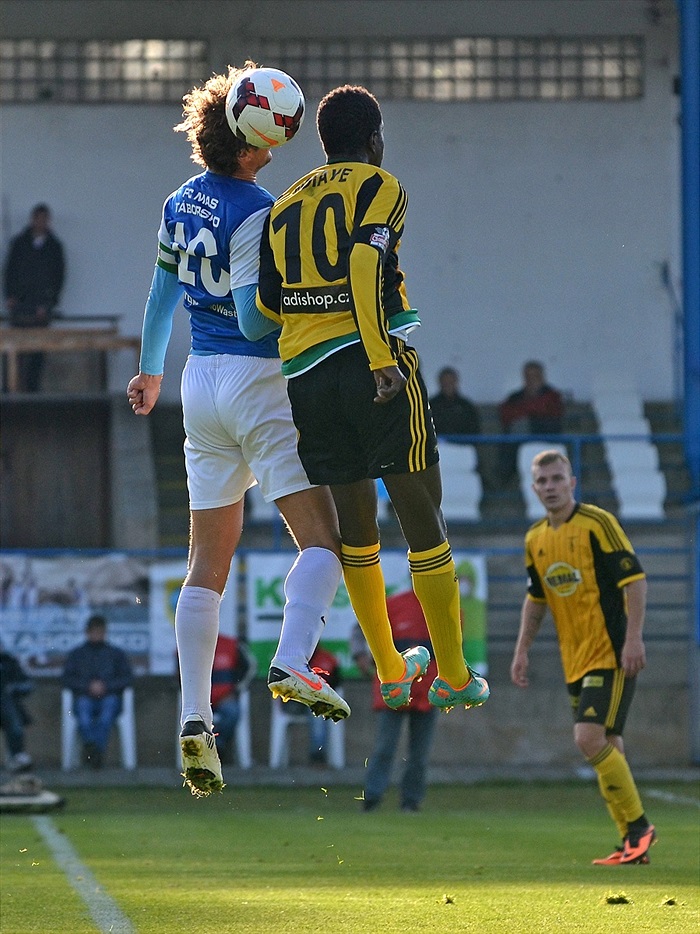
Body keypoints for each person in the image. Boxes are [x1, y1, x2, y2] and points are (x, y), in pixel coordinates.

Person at [126, 63, 349, 798]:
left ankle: (195, 718)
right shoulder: (259, 207)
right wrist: (317, 307)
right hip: (256, 381)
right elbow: (256, 318)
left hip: (198, 384)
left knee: (204, 566)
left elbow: (161, 296)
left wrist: (150, 373)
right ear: (256, 142)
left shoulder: (178, 199)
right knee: (323, 541)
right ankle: (291, 658)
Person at [250, 84, 489, 715]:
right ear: (375, 138)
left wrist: (312, 307)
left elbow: (268, 301)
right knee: (422, 513)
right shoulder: (380, 187)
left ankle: (388, 669)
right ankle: (455, 674)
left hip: (305, 374)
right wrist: (380, 355)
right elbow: (365, 260)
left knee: (357, 529)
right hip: (370, 360)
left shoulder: (286, 204)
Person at [510, 450, 656, 866]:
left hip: (610, 653)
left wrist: (634, 639)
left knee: (587, 738)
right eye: (543, 481)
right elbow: (536, 600)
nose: (551, 487)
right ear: (534, 487)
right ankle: (632, 842)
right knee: (608, 743)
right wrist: (521, 650)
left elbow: (635, 580)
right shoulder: (535, 538)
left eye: (558, 479)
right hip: (572, 659)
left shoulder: (598, 523)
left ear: (572, 482)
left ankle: (641, 827)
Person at [352, 589, 438, 813]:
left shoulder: (447, 607)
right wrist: (360, 654)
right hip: (394, 687)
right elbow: (363, 627)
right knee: (385, 746)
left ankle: (411, 801)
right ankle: (372, 798)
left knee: (419, 753)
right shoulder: (395, 604)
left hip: (429, 691)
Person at [3, 203, 65, 392]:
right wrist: (10, 296)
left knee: (38, 349)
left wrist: (48, 302)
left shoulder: (54, 247)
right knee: (14, 348)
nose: (41, 223)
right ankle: (9, 388)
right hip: (20, 305)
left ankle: (32, 389)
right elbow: (9, 271)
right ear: (32, 220)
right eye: (38, 219)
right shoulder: (19, 243)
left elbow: (58, 276)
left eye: (44, 219)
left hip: (41, 306)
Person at [62, 615, 134, 769]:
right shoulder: (77, 654)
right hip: (84, 697)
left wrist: (106, 686)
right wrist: (88, 686)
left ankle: (92, 750)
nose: (97, 635)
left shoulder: (115, 654)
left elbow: (127, 677)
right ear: (87, 632)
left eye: (100, 631)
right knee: (84, 716)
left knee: (106, 717)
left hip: (109, 697)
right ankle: (95, 751)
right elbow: (67, 678)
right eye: (94, 632)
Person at [497, 360, 564, 485]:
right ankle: (505, 479)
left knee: (520, 426)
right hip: (520, 438)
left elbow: (549, 413)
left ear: (542, 377)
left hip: (546, 435)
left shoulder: (552, 395)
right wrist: (529, 412)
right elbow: (505, 414)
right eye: (528, 376)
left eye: (535, 376)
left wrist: (525, 413)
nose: (531, 380)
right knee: (512, 433)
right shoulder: (516, 396)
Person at [210, 634, 255, 761]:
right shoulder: (191, 645)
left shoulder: (231, 645)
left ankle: (218, 745)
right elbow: (179, 674)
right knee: (193, 719)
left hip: (225, 697)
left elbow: (250, 667)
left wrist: (236, 689)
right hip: (198, 700)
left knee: (233, 712)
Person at [0, 647, 34, 772]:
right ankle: (18, 755)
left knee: (8, 707)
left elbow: (27, 685)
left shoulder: (8, 661)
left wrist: (13, 689)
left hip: (8, 707)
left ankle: (18, 756)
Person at [429, 366, 480, 437]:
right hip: (439, 444)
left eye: (451, 382)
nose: (448, 385)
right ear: (440, 383)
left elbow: (475, 429)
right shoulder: (431, 405)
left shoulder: (466, 405)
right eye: (445, 382)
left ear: (456, 382)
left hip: (463, 445)